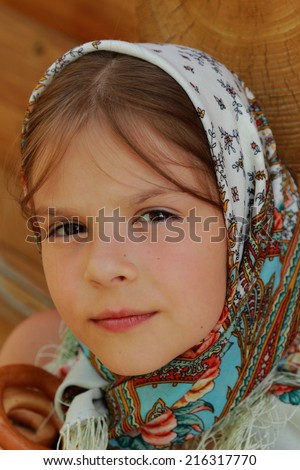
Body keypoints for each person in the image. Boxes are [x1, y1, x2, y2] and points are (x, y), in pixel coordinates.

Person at [0, 40, 299, 450]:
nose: (102, 267)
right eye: (68, 228)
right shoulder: (37, 361)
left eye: (156, 217)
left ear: (245, 225)